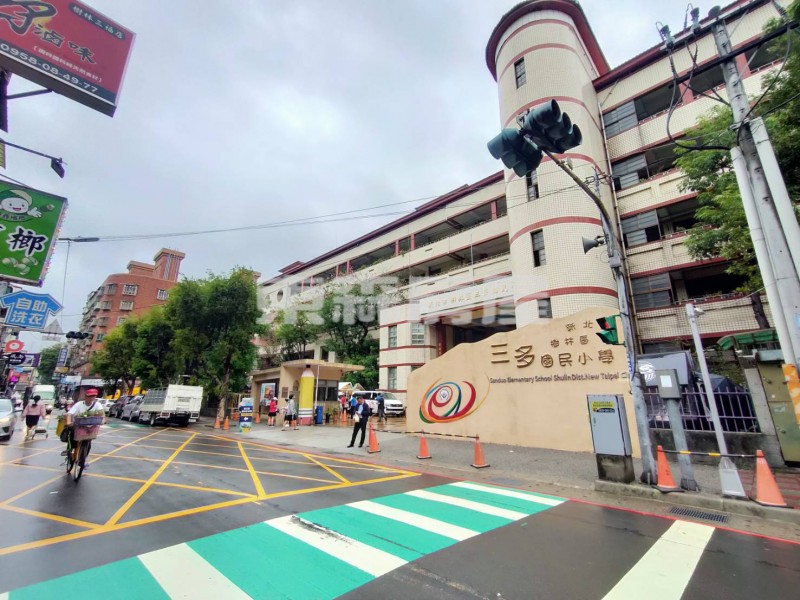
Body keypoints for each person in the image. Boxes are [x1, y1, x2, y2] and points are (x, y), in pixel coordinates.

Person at [63, 389, 105, 462]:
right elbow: (69, 414)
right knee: (71, 433)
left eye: (93, 396)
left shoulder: (98, 405)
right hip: (78, 425)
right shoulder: (79, 404)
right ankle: (69, 449)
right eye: (90, 396)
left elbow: (102, 415)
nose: (91, 398)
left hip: (90, 427)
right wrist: (68, 422)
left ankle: (83, 460)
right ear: (85, 396)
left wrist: (102, 421)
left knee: (88, 442)